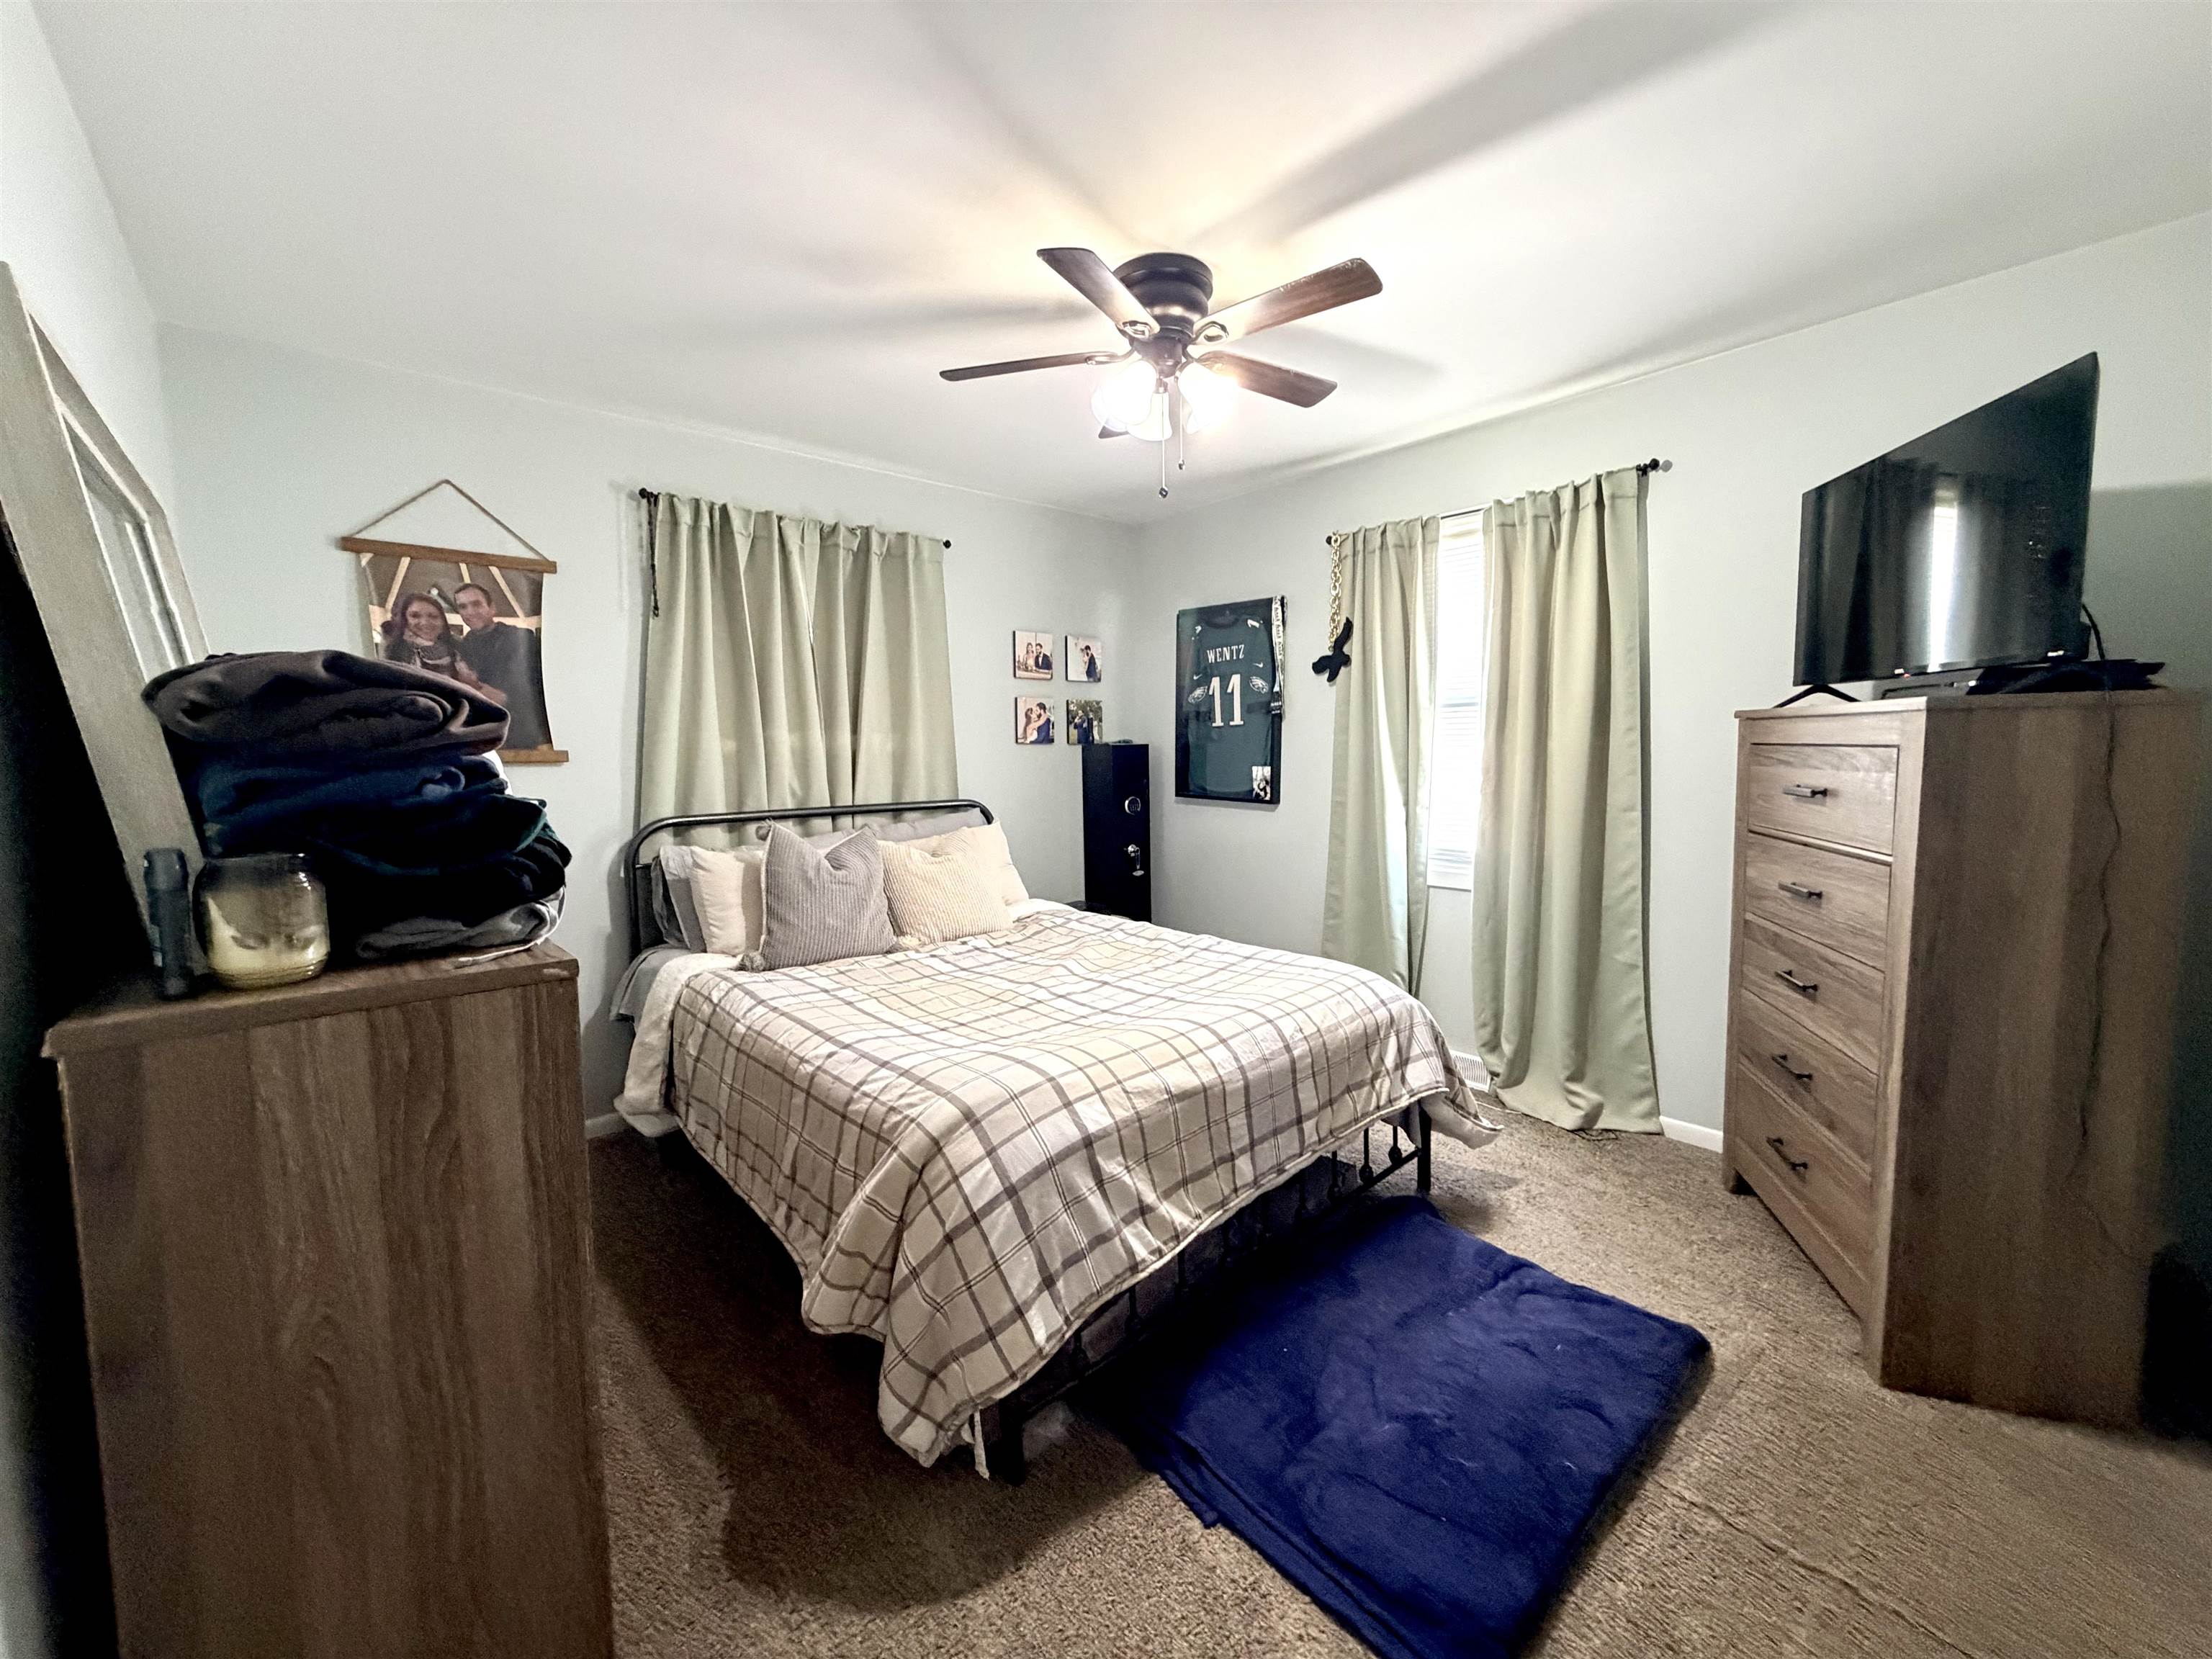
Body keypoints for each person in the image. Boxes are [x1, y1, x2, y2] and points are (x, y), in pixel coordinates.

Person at [451, 583, 551, 749]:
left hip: (522, 733)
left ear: (492, 608)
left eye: (476, 604)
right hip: (484, 734)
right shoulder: (463, 646)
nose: (470, 612)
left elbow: (528, 690)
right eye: (463, 607)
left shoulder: (520, 638)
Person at [382, 591, 486, 692]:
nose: (425, 622)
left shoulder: (459, 648)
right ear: (405, 619)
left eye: (433, 617)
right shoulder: (396, 653)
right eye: (415, 616)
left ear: (443, 621)